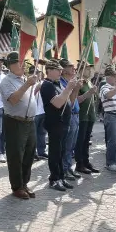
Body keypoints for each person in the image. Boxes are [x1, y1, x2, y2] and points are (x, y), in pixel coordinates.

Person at [0, 52, 41, 199]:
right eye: (19, 62)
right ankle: (17, 186)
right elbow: (13, 100)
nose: (23, 65)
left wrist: (32, 87)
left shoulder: (24, 79)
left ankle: (24, 183)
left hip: (29, 121)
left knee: (29, 154)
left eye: (23, 62)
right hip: (15, 121)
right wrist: (27, 84)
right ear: (10, 66)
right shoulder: (6, 82)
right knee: (16, 155)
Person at [41, 59, 80, 191]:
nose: (60, 71)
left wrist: (72, 89)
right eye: (57, 69)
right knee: (55, 152)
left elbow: (68, 100)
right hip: (55, 123)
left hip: (64, 123)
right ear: (49, 71)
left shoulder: (58, 84)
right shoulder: (47, 85)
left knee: (63, 152)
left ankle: (61, 177)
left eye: (60, 69)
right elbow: (57, 103)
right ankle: (54, 179)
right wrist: (68, 88)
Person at [58, 59, 82, 180]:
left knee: (72, 145)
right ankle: (64, 169)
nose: (73, 68)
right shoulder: (63, 83)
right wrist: (76, 88)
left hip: (76, 115)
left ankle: (68, 167)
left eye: (73, 66)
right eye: (70, 66)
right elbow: (70, 102)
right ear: (62, 70)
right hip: (69, 115)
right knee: (67, 145)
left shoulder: (70, 81)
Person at [74, 66, 100, 174]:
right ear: (81, 69)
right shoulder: (78, 83)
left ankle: (86, 161)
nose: (89, 71)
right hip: (82, 116)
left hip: (90, 116)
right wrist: (88, 93)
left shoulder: (89, 82)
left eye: (90, 69)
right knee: (80, 141)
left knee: (86, 141)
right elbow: (75, 100)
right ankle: (79, 163)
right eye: (87, 69)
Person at [33, 69, 49, 161]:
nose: (38, 76)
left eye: (39, 74)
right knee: (34, 134)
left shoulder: (43, 83)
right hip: (35, 112)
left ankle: (41, 151)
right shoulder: (30, 83)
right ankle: (33, 152)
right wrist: (36, 89)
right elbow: (30, 96)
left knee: (42, 133)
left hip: (42, 111)